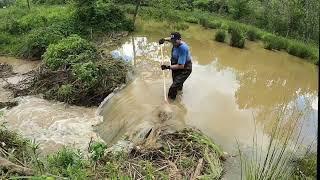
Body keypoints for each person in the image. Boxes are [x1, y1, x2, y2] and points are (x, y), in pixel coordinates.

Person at [159, 32, 192, 100]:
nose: (173, 43)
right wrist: (164, 39)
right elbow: (170, 39)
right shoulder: (175, 41)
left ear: (180, 40)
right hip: (176, 63)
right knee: (177, 83)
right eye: (172, 41)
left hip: (185, 68)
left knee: (173, 87)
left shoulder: (183, 48)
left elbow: (181, 66)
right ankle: (179, 94)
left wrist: (167, 67)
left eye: (175, 42)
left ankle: (171, 103)